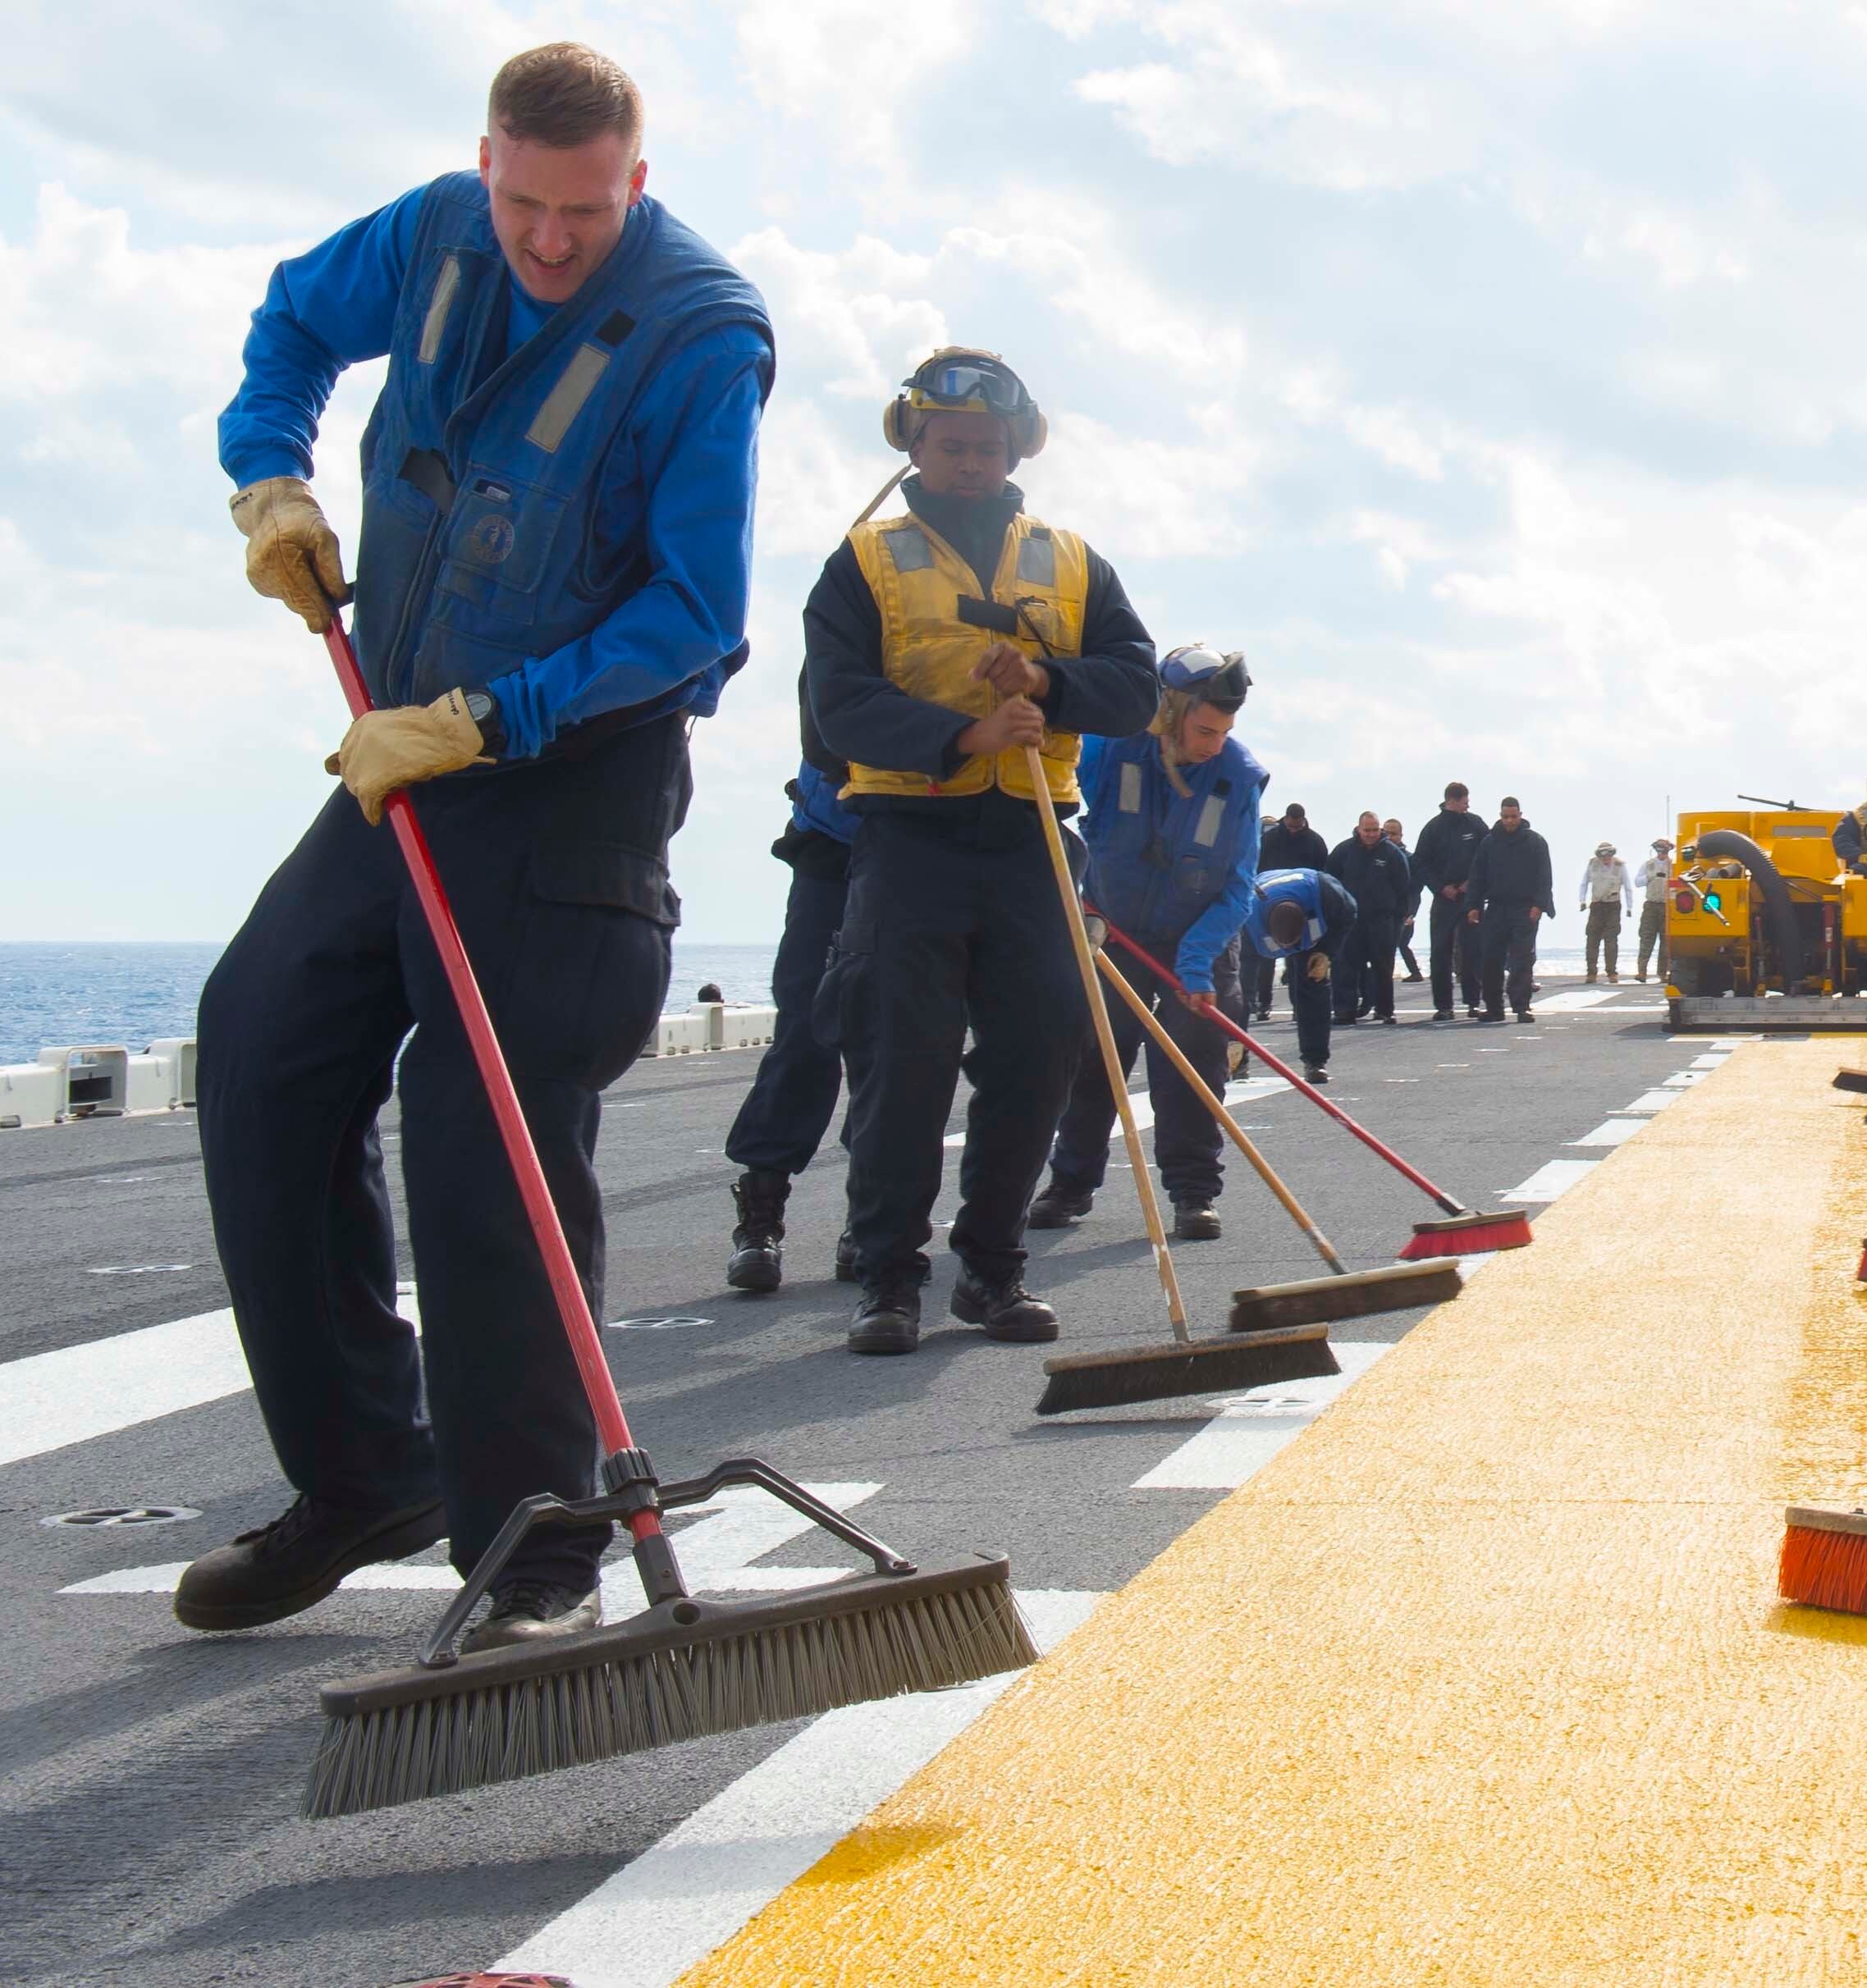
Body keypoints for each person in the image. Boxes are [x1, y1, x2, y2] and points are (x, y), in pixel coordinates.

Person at [181, 43, 775, 1651]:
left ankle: (537, 1542)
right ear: (488, 165)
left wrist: (491, 718)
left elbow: (695, 612)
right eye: (525, 206)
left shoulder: (701, 335)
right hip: (404, 757)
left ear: (634, 184)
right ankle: (363, 1476)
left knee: (479, 1124)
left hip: (571, 774)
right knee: (259, 1043)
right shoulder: (433, 231)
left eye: (585, 212)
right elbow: (291, 323)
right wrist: (269, 476)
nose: (549, 241)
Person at [808, 346, 1158, 1357]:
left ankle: (993, 1269)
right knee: (902, 1062)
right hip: (909, 840)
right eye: (951, 444)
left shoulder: (1074, 561)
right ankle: (888, 1276)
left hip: (1032, 842)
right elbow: (837, 707)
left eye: (988, 446)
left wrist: (1047, 682)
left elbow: (1135, 685)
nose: (970, 462)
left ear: (1018, 449)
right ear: (913, 443)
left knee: (1041, 1050)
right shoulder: (862, 563)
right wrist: (961, 734)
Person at [1026, 644, 1261, 1245]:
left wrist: (1196, 962)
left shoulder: (1238, 776)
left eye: (1224, 732)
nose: (1214, 744)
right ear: (1168, 712)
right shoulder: (1109, 747)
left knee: (1193, 1059)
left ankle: (1193, 1194)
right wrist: (1081, 904)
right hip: (1115, 930)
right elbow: (1053, 807)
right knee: (1094, 1055)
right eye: (1204, 730)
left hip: (1200, 937)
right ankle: (1071, 1183)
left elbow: (1239, 885)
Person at [722, 716, 863, 1292]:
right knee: (803, 1032)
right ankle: (760, 1220)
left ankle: (871, 1219)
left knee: (896, 1041)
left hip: (923, 850)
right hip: (832, 844)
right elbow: (827, 724)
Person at [1252, 867, 1353, 1083]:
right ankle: (1235, 1060)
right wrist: (1233, 1040)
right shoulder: (1247, 920)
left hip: (1314, 925)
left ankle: (1315, 1062)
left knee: (1314, 985)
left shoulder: (1328, 894)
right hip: (1265, 918)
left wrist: (1327, 953)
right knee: (1237, 993)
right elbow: (1239, 982)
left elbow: (1348, 916)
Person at [1467, 796, 1555, 1022]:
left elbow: (1544, 877)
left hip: (1524, 909)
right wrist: (1473, 906)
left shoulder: (1535, 842)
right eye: (1505, 817)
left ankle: (1521, 1006)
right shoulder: (1489, 843)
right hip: (1496, 908)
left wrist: (1539, 905)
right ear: (1500, 816)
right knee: (1491, 960)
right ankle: (1494, 1008)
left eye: (1513, 817)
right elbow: (1477, 876)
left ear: (1520, 815)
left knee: (1522, 960)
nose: (1509, 821)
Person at [1414, 782, 1492, 1019]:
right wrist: (1440, 887)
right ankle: (1444, 1006)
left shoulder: (1475, 824)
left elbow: (1488, 855)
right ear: (1452, 801)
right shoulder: (1433, 828)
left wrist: (1473, 883)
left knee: (1472, 950)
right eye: (1464, 802)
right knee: (1440, 952)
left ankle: (1473, 1002)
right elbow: (1420, 863)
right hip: (1444, 898)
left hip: (1471, 899)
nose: (1467, 806)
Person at [1329, 811, 1413, 1022]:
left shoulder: (1392, 853)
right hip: (1351, 920)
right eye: (1367, 830)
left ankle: (1385, 1010)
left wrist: (1399, 917)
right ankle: (1344, 1011)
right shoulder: (1344, 851)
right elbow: (1330, 882)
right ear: (1359, 829)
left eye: (1375, 830)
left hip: (1382, 920)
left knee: (1383, 966)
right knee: (1345, 965)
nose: (1371, 834)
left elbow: (1404, 887)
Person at [1252, 804, 1329, 1019]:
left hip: (1302, 905)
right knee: (1267, 954)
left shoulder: (1315, 841)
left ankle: (1298, 1006)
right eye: (1291, 825)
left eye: (1298, 826)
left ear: (1303, 820)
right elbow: (1256, 868)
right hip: (1268, 903)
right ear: (1285, 819)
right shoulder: (1269, 839)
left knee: (1298, 955)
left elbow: (1322, 874)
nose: (1294, 829)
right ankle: (1264, 1003)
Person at [1580, 841, 1631, 982]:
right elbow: (1584, 883)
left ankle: (1612, 973)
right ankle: (1591, 973)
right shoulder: (1592, 864)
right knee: (1592, 939)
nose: (1606, 858)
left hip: (1613, 906)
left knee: (1611, 940)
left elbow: (1627, 887)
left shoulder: (1620, 866)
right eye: (1602, 855)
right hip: (1596, 905)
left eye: (1608, 854)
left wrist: (1629, 907)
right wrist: (1582, 900)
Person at [1384, 817, 1422, 982]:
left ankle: (1415, 972)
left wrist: (1411, 913)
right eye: (1386, 833)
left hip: (1404, 911)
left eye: (1394, 834)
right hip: (1385, 911)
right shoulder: (1378, 856)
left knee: (1401, 943)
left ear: (1401, 835)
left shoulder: (1410, 859)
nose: (1389, 837)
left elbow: (1416, 890)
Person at [1633, 837, 1673, 982]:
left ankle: (1663, 973)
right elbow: (1637, 882)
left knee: (1666, 941)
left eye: (1664, 850)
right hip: (1651, 905)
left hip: (1667, 906)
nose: (1662, 853)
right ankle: (1642, 971)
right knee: (1646, 938)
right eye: (1659, 850)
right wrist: (1650, 877)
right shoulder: (1648, 865)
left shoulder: (1673, 866)